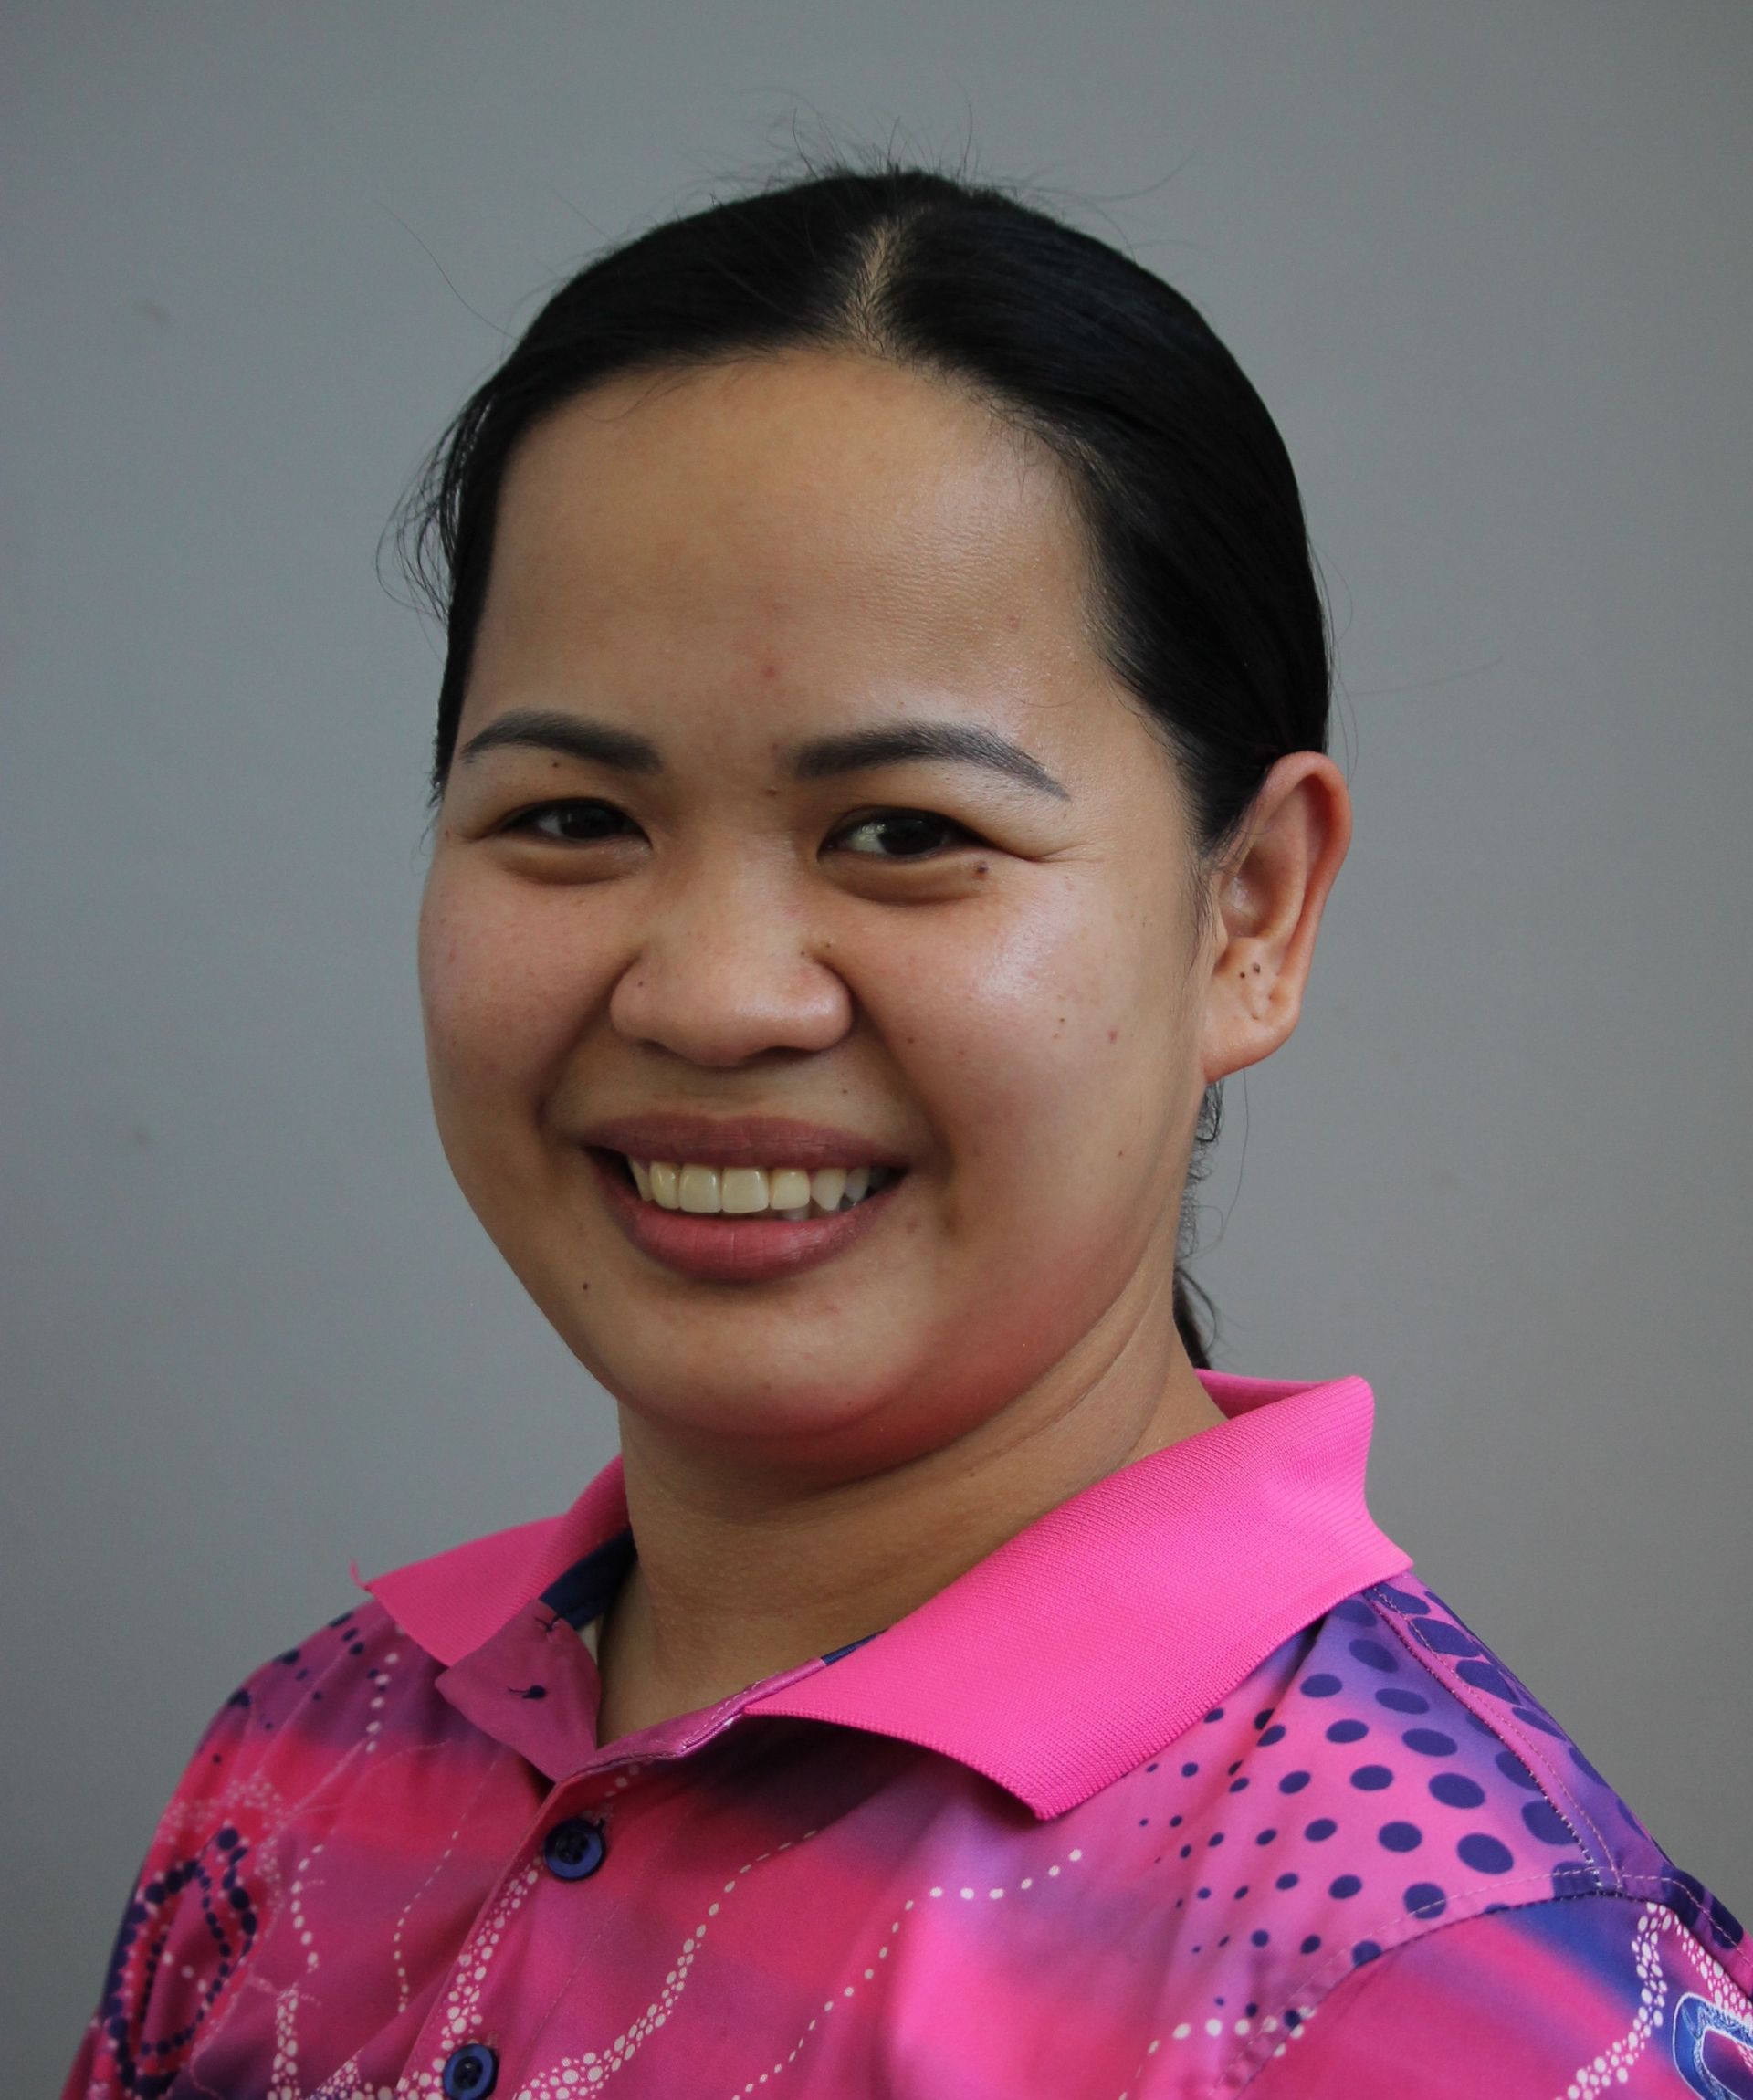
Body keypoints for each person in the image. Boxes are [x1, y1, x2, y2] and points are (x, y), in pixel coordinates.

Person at [62, 163, 1750, 2100]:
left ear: (1252, 913)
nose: (712, 996)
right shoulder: (308, 1764)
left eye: (905, 832)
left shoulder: (1460, 1995)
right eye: (571, 819)